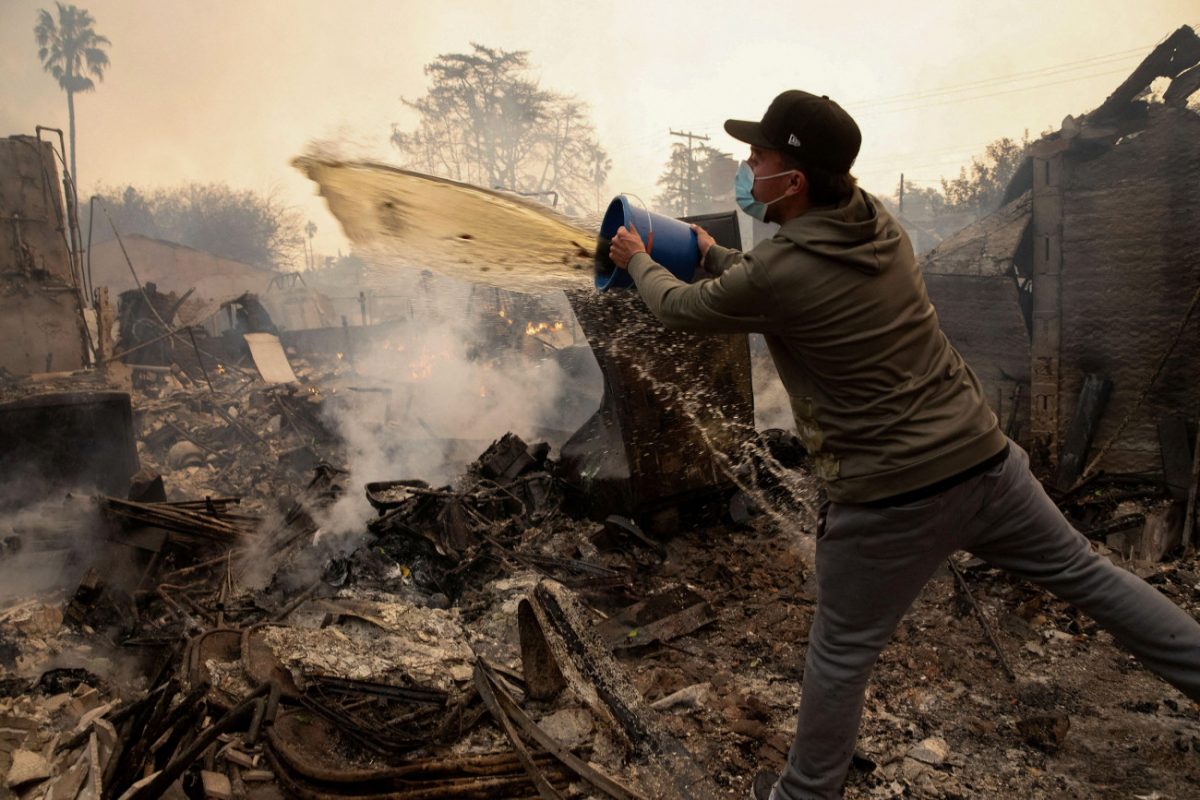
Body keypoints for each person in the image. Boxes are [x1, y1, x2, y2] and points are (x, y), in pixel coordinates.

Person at [606, 90, 1200, 800]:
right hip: (986, 464)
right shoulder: (877, 226)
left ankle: (803, 796)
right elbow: (774, 281)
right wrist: (713, 254)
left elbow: (682, 308)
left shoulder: (784, 269)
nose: (746, 166)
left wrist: (640, 258)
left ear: (791, 182)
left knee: (840, 654)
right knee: (1093, 579)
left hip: (889, 500)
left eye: (757, 157)